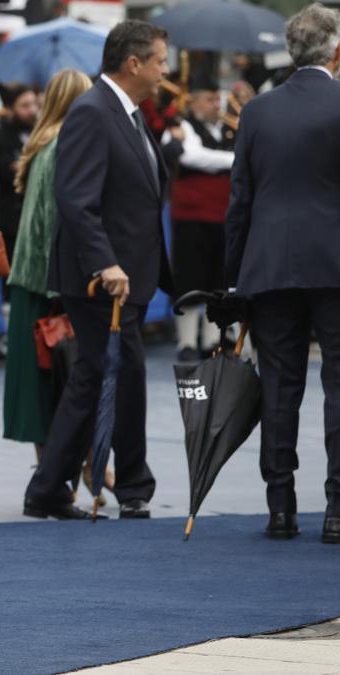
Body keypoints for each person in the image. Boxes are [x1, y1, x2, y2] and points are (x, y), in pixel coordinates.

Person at [23, 21, 173, 521]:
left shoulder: (126, 114)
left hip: (123, 275)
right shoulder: (93, 112)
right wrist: (106, 262)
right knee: (112, 372)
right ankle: (128, 482)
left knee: (98, 374)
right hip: (100, 278)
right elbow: (76, 201)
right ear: (134, 63)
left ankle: (53, 488)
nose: (165, 71)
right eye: (159, 61)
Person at [220, 3, 340, 543]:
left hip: (268, 264)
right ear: (336, 52)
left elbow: (239, 201)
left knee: (279, 386)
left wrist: (232, 278)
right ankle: (337, 510)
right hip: (335, 264)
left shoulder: (257, 112)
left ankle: (281, 507)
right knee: (339, 385)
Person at [1, 69, 93, 468]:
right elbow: (53, 219)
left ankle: (57, 470)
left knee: (43, 386)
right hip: (50, 285)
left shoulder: (41, 143)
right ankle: (72, 471)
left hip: (31, 281)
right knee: (62, 380)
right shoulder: (62, 146)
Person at [161, 77, 235, 362]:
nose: (216, 105)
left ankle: (213, 338)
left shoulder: (227, 129)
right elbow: (193, 157)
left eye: (218, 100)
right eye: (209, 99)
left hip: (223, 216)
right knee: (191, 278)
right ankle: (187, 341)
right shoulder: (182, 127)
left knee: (219, 279)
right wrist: (233, 159)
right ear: (193, 101)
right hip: (191, 216)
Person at [0, 84, 39, 263]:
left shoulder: (40, 133)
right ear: (9, 109)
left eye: (34, 104)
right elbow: (12, 175)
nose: (32, 110)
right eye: (24, 105)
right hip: (13, 224)